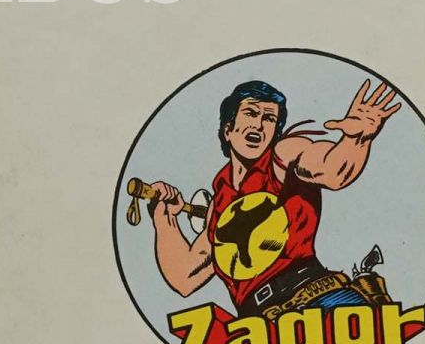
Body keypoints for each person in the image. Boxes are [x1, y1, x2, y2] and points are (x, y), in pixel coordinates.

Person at [147, 77, 398, 319]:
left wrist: (356, 139)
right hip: (260, 327)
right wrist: (164, 218)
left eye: (269, 118)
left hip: (317, 302)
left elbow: (332, 171)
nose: (259, 125)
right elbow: (184, 278)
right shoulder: (220, 203)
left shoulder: (283, 155)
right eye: (251, 113)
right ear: (228, 130)